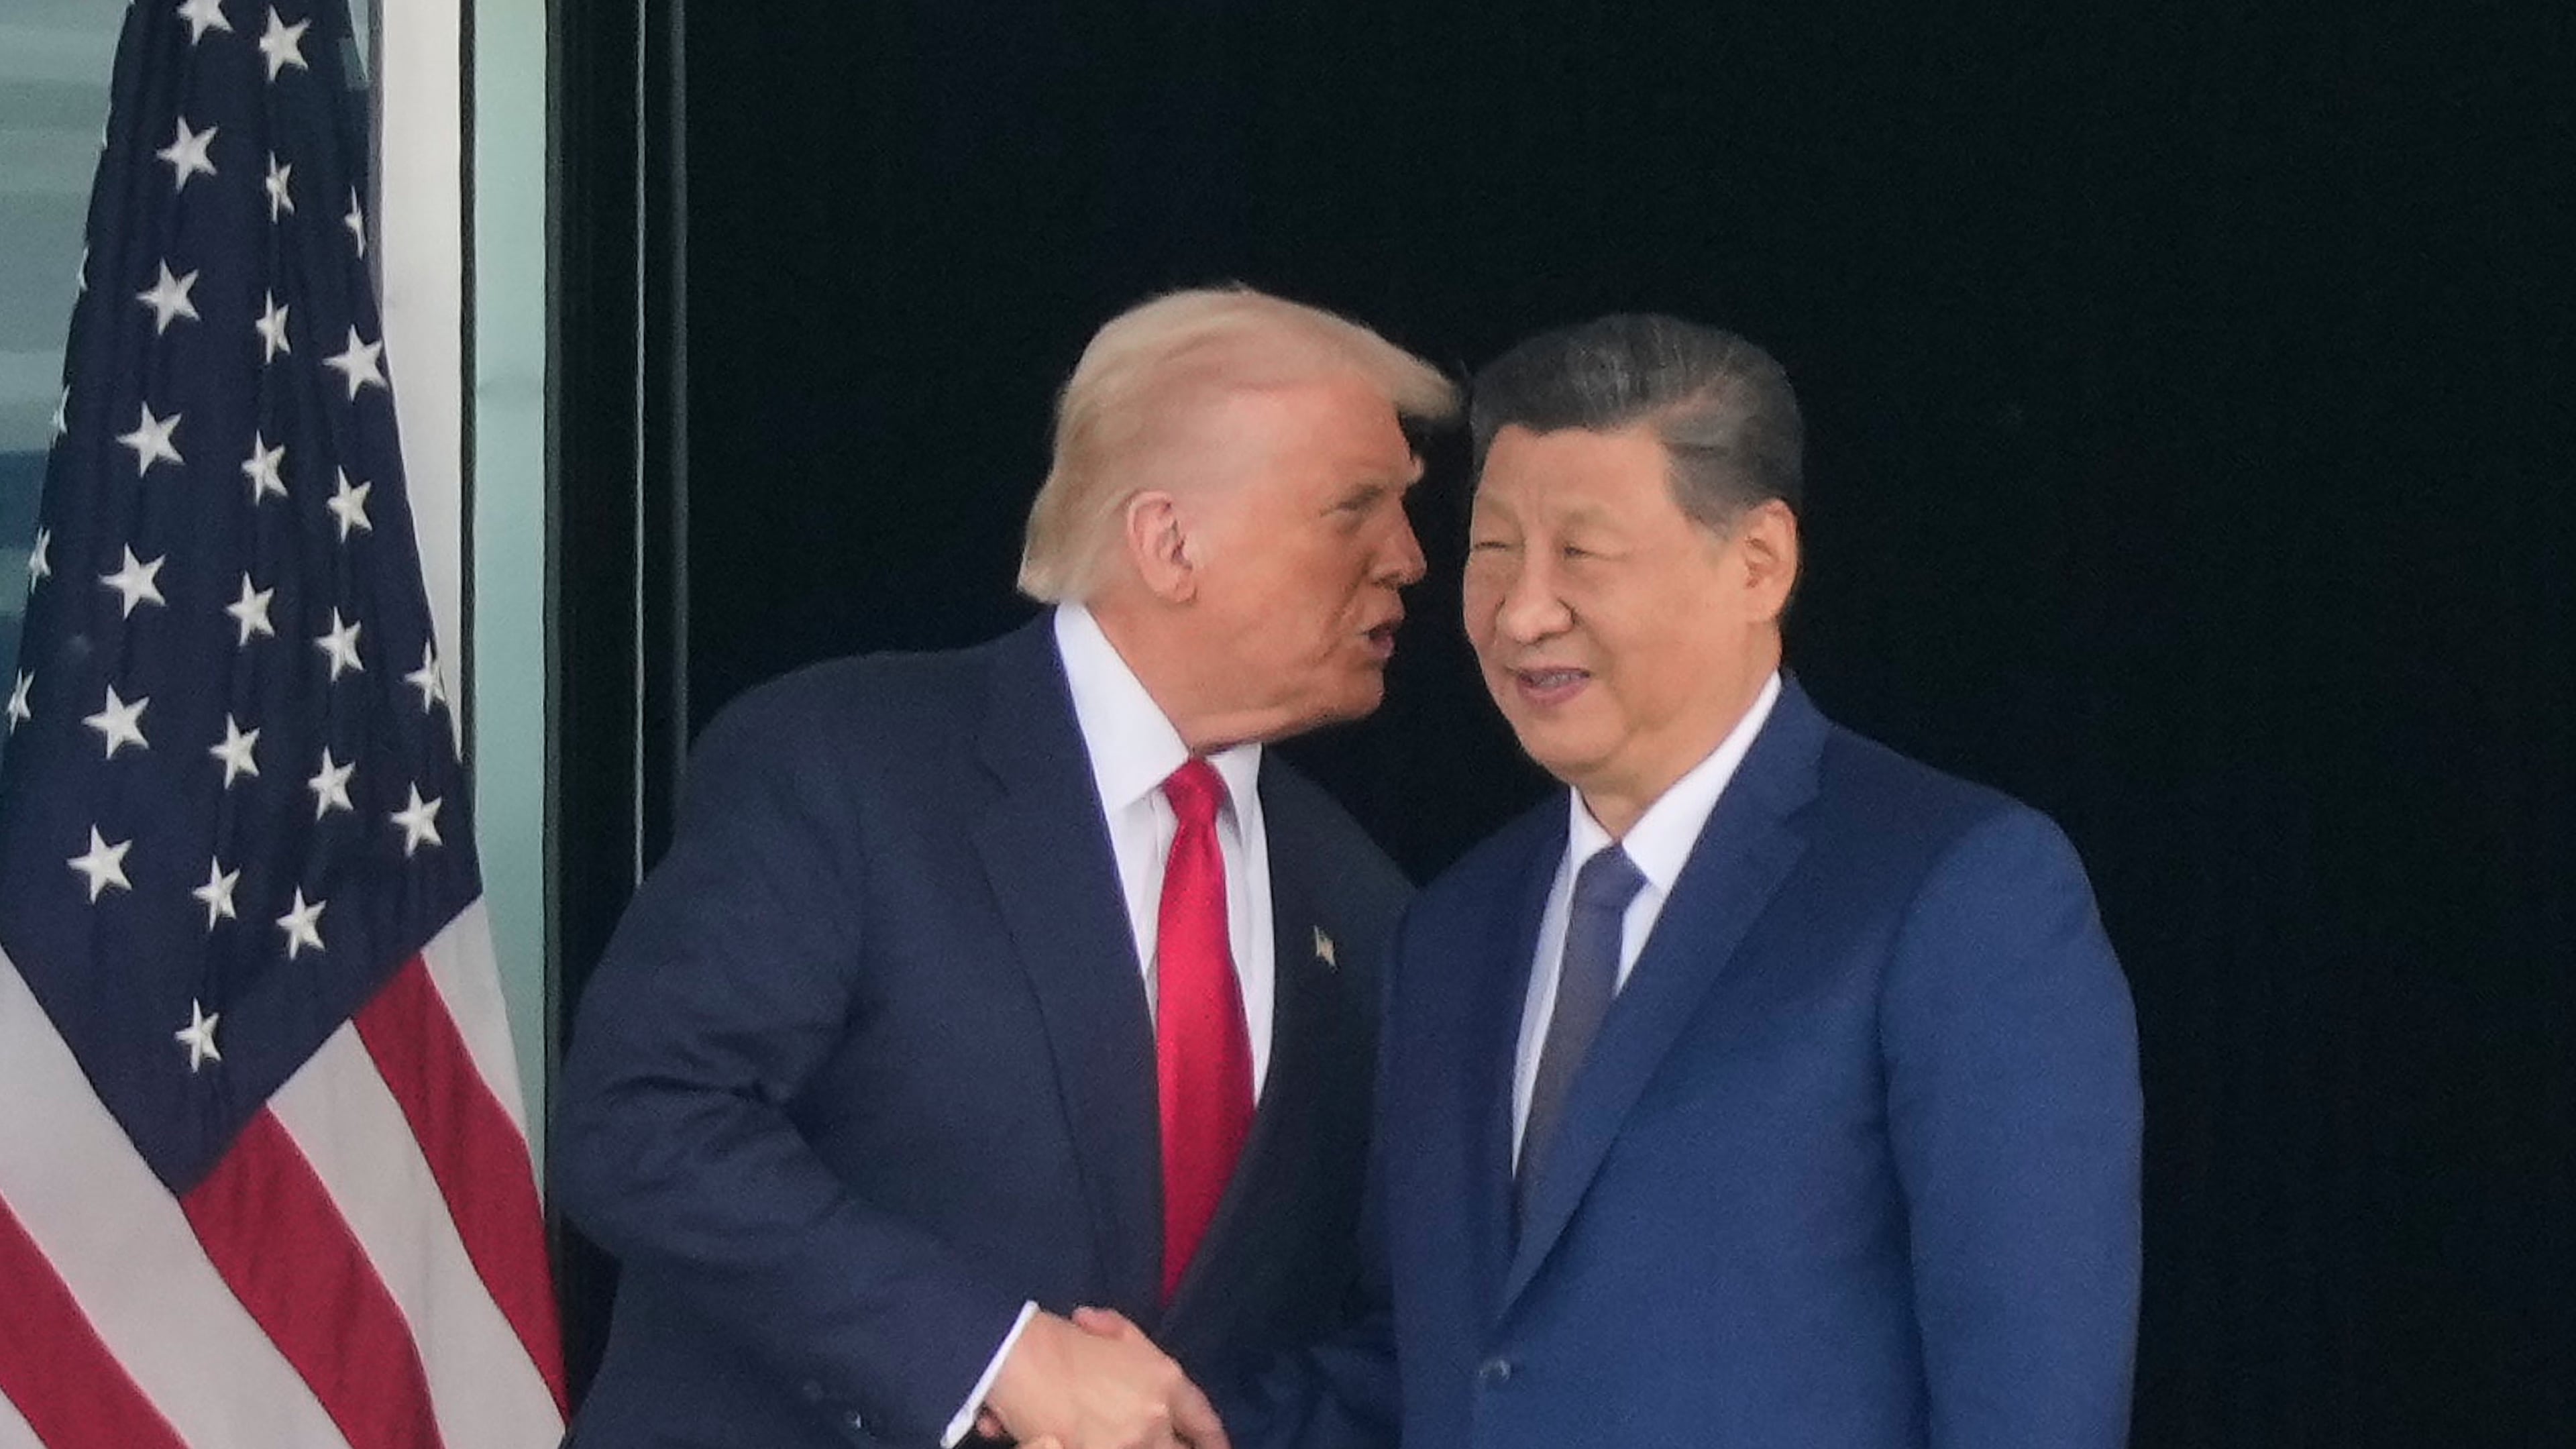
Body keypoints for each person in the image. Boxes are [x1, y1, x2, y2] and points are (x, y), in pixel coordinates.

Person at [1203, 313, 2141, 1448]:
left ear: (1760, 564)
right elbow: (1442, 1360)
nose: (1522, 609)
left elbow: (2030, 1401)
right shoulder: (1449, 930)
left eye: (1583, 553)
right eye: (1495, 550)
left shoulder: (1954, 890)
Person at [553, 286, 1458, 1449]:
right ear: (1169, 541)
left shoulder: (1366, 903)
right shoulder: (845, 765)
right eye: (1356, 508)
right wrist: (992, 1356)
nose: (1411, 558)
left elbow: (1382, 1322)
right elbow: (638, 1121)